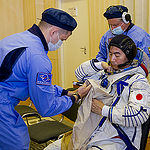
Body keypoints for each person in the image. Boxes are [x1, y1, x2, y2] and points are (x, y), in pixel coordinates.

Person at [0, 8, 91, 150]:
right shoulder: (39, 58)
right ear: (53, 31)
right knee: (18, 143)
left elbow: (28, 81)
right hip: (2, 105)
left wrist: (64, 92)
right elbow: (46, 107)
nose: (61, 44)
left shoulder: (17, 39)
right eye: (62, 39)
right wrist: (76, 97)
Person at [45, 34, 150, 150]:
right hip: (92, 130)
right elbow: (79, 74)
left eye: (117, 55)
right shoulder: (106, 73)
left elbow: (139, 115)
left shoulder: (137, 81)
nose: (112, 59)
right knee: (51, 148)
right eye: (110, 54)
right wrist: (100, 65)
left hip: (117, 136)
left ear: (129, 56)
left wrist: (104, 109)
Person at [75, 5, 150, 82]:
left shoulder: (141, 37)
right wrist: (103, 66)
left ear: (126, 20)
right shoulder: (107, 36)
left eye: (115, 25)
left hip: (131, 78)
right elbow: (101, 56)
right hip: (110, 77)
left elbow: (147, 62)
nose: (113, 28)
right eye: (110, 25)